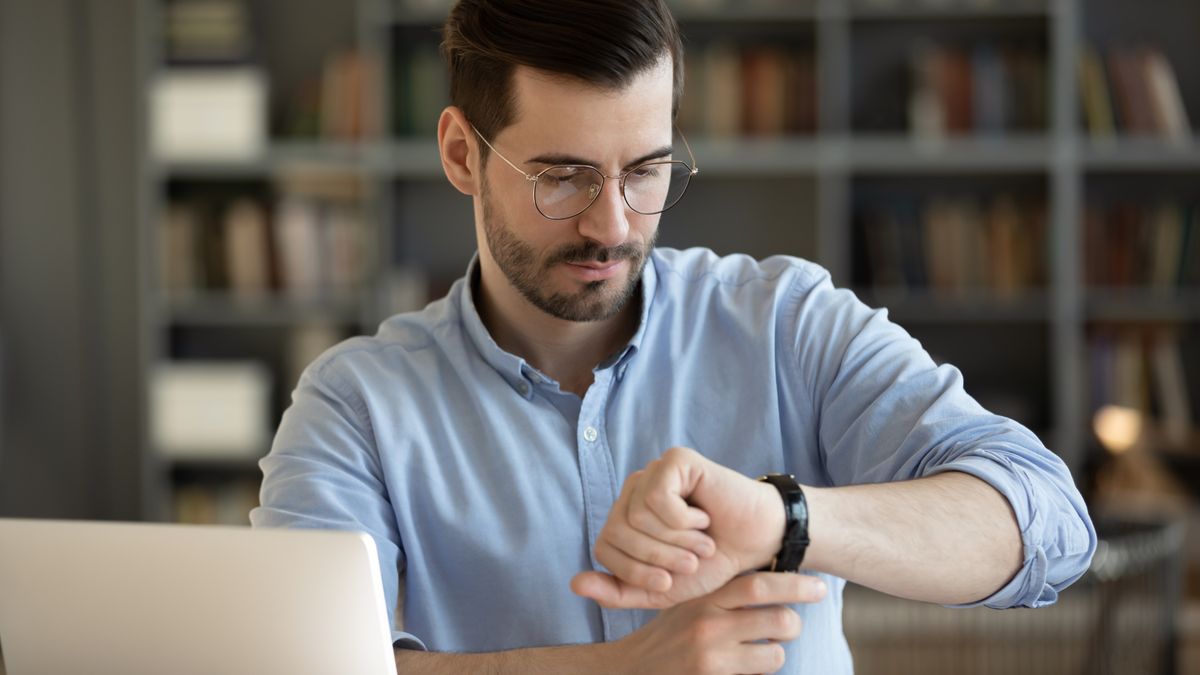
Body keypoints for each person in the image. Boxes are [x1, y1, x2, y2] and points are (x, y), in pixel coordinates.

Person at [251, 1, 1097, 672]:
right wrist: (615, 671)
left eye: (646, 170)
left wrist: (783, 519)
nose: (613, 224)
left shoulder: (785, 322)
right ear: (462, 154)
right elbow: (288, 663)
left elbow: (1050, 524)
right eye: (563, 177)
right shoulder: (355, 403)